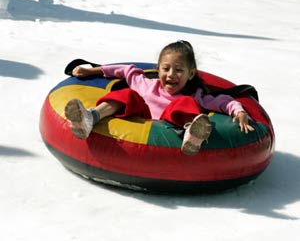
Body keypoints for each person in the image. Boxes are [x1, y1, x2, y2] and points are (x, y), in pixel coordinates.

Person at [64, 40, 254, 155]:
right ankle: (90, 118)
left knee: (185, 103)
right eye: (166, 69)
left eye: (179, 70)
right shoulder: (146, 84)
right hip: (140, 116)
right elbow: (125, 69)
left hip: (171, 127)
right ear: (157, 69)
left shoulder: (195, 95)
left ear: (191, 73)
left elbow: (223, 101)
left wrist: (240, 112)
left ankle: (192, 134)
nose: (171, 74)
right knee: (127, 94)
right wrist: (91, 71)